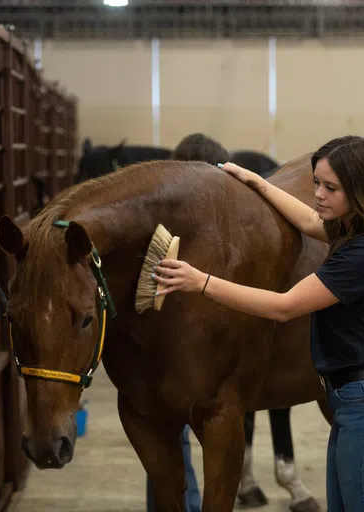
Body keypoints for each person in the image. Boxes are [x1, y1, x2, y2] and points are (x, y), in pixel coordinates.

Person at [151, 135, 364, 511]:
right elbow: (309, 220)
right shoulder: (362, 228)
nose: (319, 195)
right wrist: (257, 182)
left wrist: (201, 282)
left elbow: (284, 306)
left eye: (331, 187)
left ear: (360, 190)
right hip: (355, 399)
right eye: (316, 183)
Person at [146, 131, 229, 512]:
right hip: (194, 358)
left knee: (166, 439)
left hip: (167, 362)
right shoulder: (225, 227)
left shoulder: (157, 224)